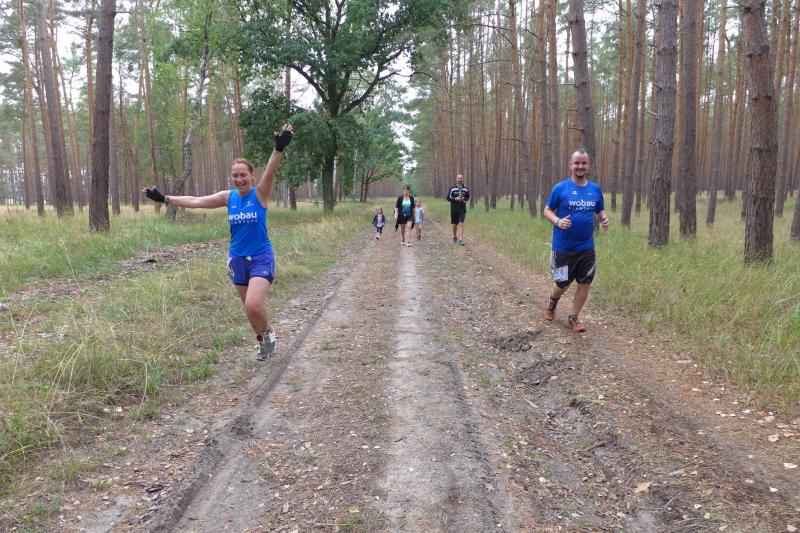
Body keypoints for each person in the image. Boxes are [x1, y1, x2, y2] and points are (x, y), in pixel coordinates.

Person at [142, 124, 294, 359]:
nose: (239, 179)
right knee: (248, 309)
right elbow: (196, 201)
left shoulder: (260, 193)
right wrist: (165, 198)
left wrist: (279, 148)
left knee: (253, 304)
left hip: (261, 257)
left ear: (251, 176)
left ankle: (269, 332)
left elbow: (270, 171)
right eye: (235, 175)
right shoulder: (228, 197)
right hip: (237, 259)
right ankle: (263, 339)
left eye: (243, 175)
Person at [542, 149, 610, 332]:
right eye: (577, 163)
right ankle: (552, 303)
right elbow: (547, 210)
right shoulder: (560, 188)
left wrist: (604, 218)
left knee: (585, 282)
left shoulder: (595, 189)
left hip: (586, 246)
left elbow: (599, 209)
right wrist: (558, 221)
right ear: (571, 165)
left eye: (584, 163)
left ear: (588, 166)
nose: (580, 166)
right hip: (563, 247)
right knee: (562, 283)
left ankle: (573, 318)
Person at [447, 174, 469, 245]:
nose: (460, 180)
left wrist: (464, 199)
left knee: (461, 224)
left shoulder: (465, 189)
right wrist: (455, 199)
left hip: (462, 209)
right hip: (454, 209)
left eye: (461, 178)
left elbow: (467, 197)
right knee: (454, 224)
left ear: (462, 179)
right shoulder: (452, 188)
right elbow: (448, 198)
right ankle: (454, 236)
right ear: (456, 179)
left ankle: (461, 239)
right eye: (458, 178)